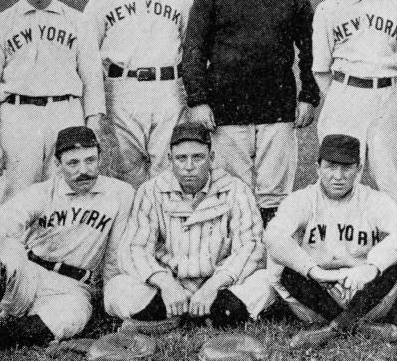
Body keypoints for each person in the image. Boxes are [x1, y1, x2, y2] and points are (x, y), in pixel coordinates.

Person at [0, 127, 134, 361]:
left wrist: (109, 300)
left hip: (73, 287)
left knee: (70, 320)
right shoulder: (41, 193)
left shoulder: (121, 193)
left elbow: (113, 254)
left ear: (100, 157)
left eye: (91, 160)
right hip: (28, 273)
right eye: (73, 163)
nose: (83, 171)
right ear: (57, 164)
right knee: (5, 245)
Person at [182, 0, 320, 227]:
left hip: (277, 107)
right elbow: (193, 52)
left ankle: (273, 261)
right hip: (226, 108)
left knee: (274, 196)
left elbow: (311, 51)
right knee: (232, 191)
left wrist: (308, 95)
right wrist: (198, 100)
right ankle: (236, 260)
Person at [105, 122, 277, 332]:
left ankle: (174, 316)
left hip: (219, 285)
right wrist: (166, 284)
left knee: (266, 281)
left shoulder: (235, 189)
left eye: (198, 157)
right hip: (168, 287)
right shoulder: (150, 191)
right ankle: (206, 315)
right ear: (170, 159)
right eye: (181, 158)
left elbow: (250, 248)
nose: (189, 166)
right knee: (116, 287)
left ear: (211, 158)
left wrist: (213, 286)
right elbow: (135, 248)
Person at [0, 0, 105, 208]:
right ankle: (12, 250)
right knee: (17, 199)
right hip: (18, 116)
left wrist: (94, 129)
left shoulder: (78, 22)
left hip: (66, 112)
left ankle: (58, 250)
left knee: (68, 197)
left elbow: (92, 82)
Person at [265, 134, 397, 349]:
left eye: (347, 168)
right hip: (316, 292)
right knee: (278, 260)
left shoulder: (372, 199)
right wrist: (316, 272)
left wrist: (372, 268)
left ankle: (333, 327)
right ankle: (359, 326)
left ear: (358, 170)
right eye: (330, 166)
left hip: (364, 292)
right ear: (317, 167)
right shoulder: (302, 199)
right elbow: (273, 236)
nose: (338, 176)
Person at [311, 0, 397, 215]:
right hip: (345, 93)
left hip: (388, 94)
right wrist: (341, 98)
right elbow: (320, 68)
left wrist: (390, 91)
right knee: (339, 176)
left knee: (393, 178)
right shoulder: (329, 7)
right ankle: (338, 245)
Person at [83, 0, 193, 188]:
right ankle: (131, 229)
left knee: (167, 168)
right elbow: (87, 57)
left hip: (168, 90)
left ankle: (163, 228)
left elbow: (192, 51)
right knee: (126, 169)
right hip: (122, 90)